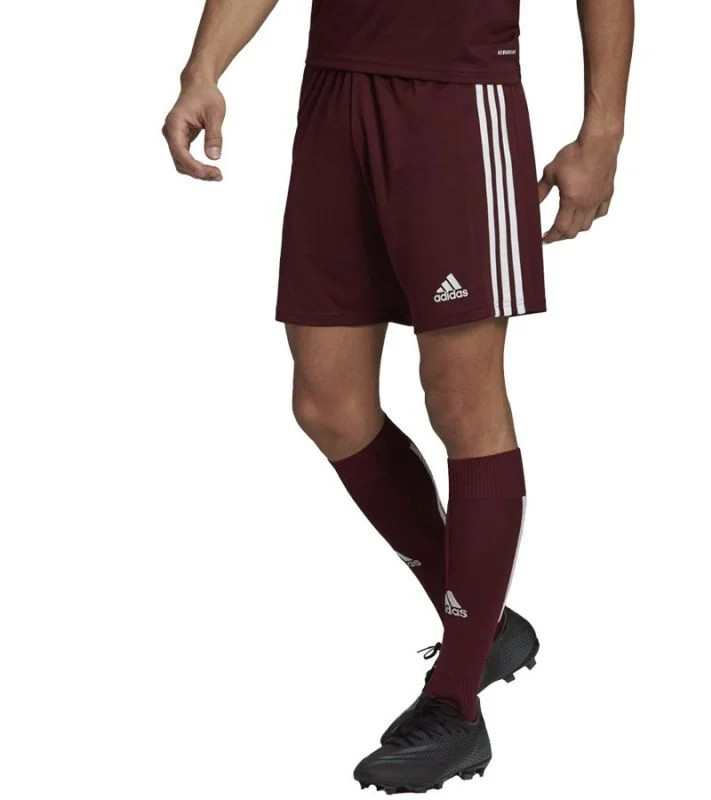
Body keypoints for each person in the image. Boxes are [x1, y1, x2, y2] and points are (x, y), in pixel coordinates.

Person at [163, 0, 633, 792]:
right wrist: (203, 69)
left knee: (461, 400)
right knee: (327, 405)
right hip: (335, 96)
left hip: (458, 97)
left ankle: (455, 706)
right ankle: (483, 625)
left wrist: (603, 133)